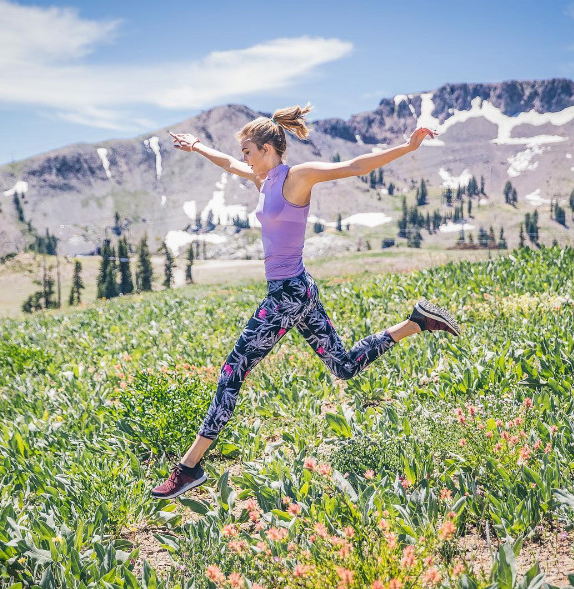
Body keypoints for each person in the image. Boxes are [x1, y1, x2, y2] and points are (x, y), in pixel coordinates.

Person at [151, 104, 459, 499]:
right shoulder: (262, 178)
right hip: (299, 289)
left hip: (286, 295)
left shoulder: (296, 177)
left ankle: (189, 468)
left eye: (249, 151)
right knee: (344, 367)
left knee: (233, 370)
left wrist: (407, 146)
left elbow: (355, 166)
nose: (244, 158)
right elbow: (229, 163)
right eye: (244, 153)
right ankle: (416, 321)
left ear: (266, 148)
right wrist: (197, 147)